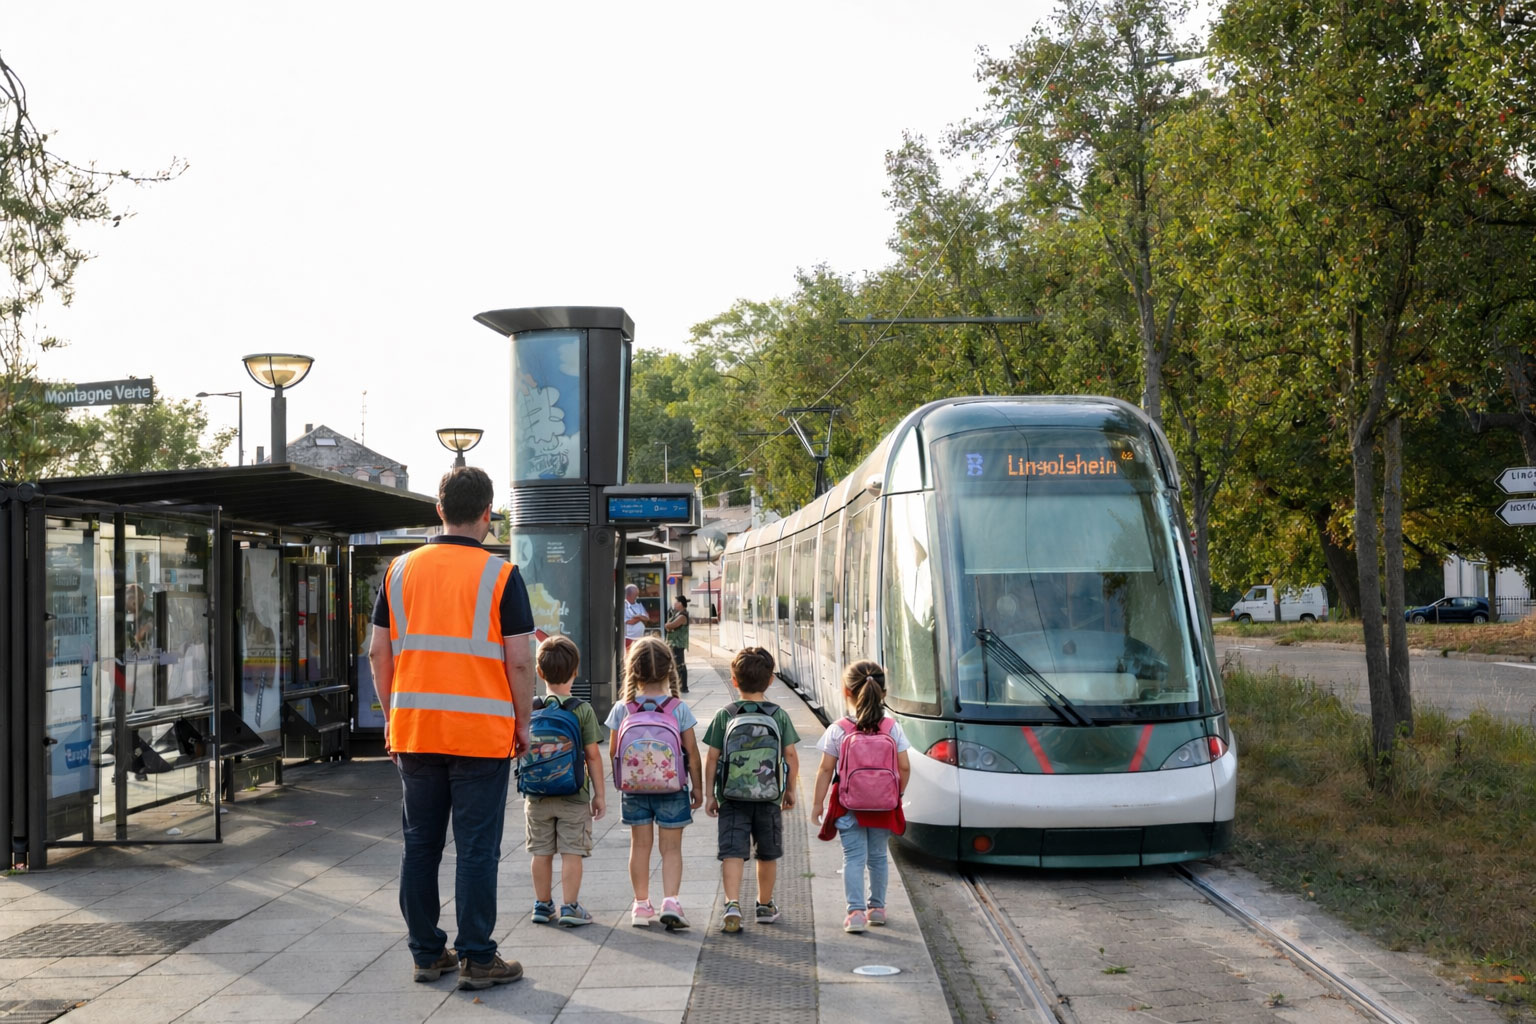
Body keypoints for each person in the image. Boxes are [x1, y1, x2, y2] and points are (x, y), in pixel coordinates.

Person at [368, 466, 536, 990]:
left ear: (439, 511)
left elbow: (378, 651)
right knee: (476, 847)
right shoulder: (501, 575)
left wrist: (394, 717)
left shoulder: (398, 571)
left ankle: (426, 953)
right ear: (488, 514)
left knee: (420, 844)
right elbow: (521, 662)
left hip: (417, 730)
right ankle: (478, 957)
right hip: (481, 734)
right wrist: (524, 724)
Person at [605, 636, 703, 929]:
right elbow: (693, 754)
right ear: (669, 669)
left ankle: (640, 905)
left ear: (631, 670)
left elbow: (613, 752)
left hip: (635, 790)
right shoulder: (678, 708)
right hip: (673, 789)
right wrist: (698, 788)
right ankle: (670, 901)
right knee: (671, 849)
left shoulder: (623, 708)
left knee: (640, 846)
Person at [702, 646, 799, 932]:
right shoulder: (778, 715)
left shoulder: (725, 715)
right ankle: (764, 904)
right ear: (771, 681)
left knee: (732, 851)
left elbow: (712, 758)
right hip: (769, 798)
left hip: (731, 797)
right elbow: (791, 756)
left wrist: (710, 794)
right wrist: (789, 790)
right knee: (767, 852)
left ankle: (732, 903)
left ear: (733, 680)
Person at [811, 660, 912, 934]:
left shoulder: (839, 729)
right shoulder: (893, 728)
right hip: (883, 806)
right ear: (884, 693)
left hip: (848, 805)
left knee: (853, 858)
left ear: (846, 691)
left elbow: (825, 770)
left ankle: (855, 913)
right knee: (878, 857)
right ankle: (877, 909)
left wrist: (817, 805)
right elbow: (904, 767)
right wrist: (896, 793)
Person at [525, 634, 605, 927]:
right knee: (573, 851)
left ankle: (542, 905)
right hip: (574, 794)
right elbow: (593, 756)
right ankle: (570, 907)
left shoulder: (531, 707)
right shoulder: (581, 710)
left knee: (541, 851)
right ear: (575, 671)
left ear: (539, 672)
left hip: (536, 795)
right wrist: (599, 795)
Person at [664, 595, 691, 693]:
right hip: (674, 643)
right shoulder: (677, 614)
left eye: (676, 602)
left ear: (680, 604)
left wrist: (667, 625)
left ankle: (683, 686)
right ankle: (679, 685)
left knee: (680, 665)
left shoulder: (682, 616)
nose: (674, 604)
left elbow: (671, 625)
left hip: (678, 644)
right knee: (677, 664)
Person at [622, 584, 648, 651]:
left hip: (640, 637)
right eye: (635, 594)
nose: (637, 596)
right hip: (629, 638)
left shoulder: (639, 605)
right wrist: (641, 617)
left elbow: (647, 618)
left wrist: (638, 617)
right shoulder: (623, 606)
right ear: (629, 595)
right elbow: (630, 622)